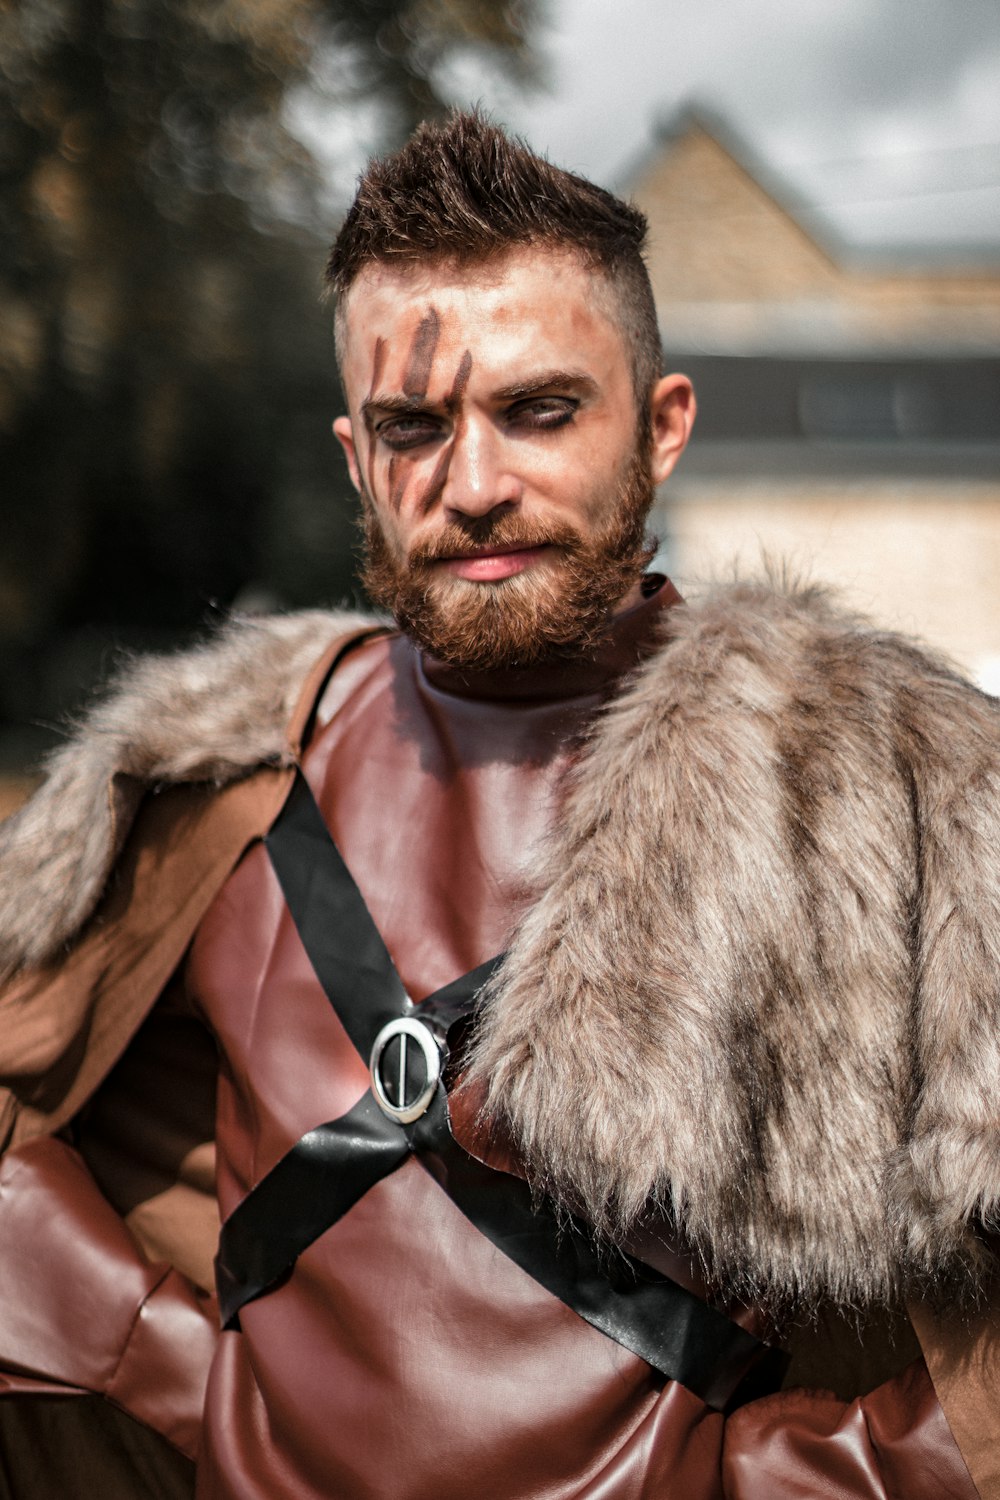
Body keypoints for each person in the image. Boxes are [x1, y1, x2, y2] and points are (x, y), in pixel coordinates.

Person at [0, 110, 997, 1499]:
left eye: (539, 410)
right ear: (356, 459)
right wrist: (174, 1374)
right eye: (414, 426)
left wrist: (742, 1484)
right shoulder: (209, 778)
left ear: (661, 429)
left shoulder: (896, 793)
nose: (472, 486)